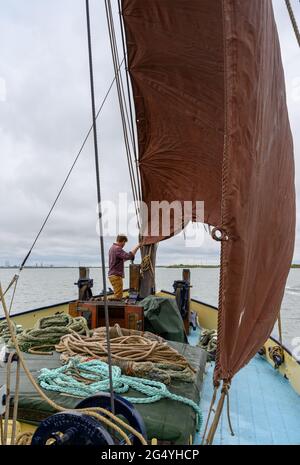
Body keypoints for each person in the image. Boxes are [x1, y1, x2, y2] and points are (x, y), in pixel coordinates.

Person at [108, 235, 140, 300]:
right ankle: (114, 308)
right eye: (124, 243)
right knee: (118, 297)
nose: (124, 245)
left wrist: (130, 256)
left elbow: (123, 259)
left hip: (112, 275)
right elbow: (129, 256)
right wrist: (138, 246)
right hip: (116, 276)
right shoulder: (117, 249)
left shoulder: (112, 248)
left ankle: (112, 303)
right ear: (122, 241)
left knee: (117, 295)